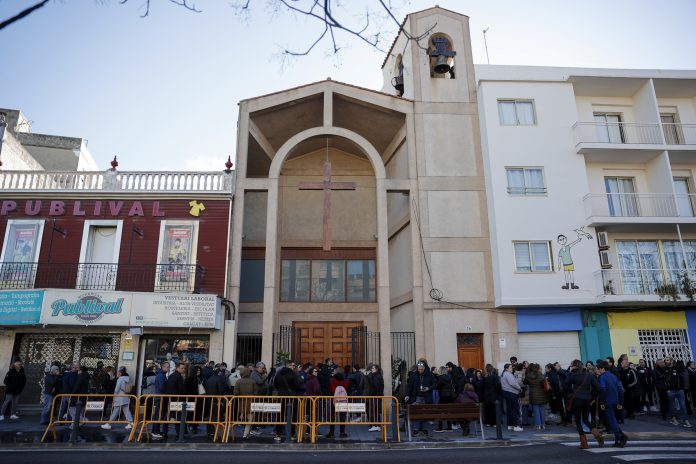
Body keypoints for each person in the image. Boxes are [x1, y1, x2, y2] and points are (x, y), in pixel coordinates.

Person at [565, 359, 603, 449]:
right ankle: (597, 434)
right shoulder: (589, 375)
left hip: (577, 400)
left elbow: (566, 383)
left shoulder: (573, 375)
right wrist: (592, 397)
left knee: (578, 421)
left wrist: (570, 372)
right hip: (587, 400)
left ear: (574, 366)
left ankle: (584, 443)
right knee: (586, 419)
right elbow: (598, 388)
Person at [597, 360, 628, 448]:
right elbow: (620, 389)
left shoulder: (602, 377)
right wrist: (620, 402)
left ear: (602, 369)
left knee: (612, 421)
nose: (598, 371)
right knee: (613, 419)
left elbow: (603, 389)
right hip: (615, 400)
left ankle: (620, 438)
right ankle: (620, 437)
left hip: (607, 401)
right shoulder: (613, 376)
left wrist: (602, 402)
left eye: (598, 369)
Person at [404, 360, 436, 437]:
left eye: (421, 369)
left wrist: (428, 388)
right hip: (417, 397)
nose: (420, 370)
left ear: (425, 368)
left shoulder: (430, 375)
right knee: (416, 413)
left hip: (426, 397)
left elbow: (435, 384)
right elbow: (409, 386)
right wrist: (407, 395)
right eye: (419, 369)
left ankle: (423, 429)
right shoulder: (414, 375)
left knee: (425, 413)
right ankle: (416, 429)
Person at [664, 357, 692, 428]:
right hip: (670, 391)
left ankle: (686, 420)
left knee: (683, 406)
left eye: (667, 360)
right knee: (672, 406)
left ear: (671, 361)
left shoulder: (677, 368)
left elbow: (683, 377)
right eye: (665, 360)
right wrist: (667, 389)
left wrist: (682, 388)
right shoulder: (664, 369)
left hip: (680, 390)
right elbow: (664, 381)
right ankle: (673, 419)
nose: (666, 361)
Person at [325, 372, 350, 439]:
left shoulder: (331, 381)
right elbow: (348, 391)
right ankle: (342, 432)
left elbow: (327, 390)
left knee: (332, 417)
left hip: (333, 401)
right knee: (342, 417)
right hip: (343, 401)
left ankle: (331, 433)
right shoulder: (346, 381)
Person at [524, 363, 549, 430]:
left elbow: (525, 382)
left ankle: (538, 425)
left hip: (533, 394)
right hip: (542, 394)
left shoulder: (528, 375)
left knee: (536, 410)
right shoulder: (541, 375)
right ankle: (543, 424)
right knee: (542, 409)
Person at [501, 363, 523, 431]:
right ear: (506, 369)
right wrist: (519, 388)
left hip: (507, 393)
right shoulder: (508, 374)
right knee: (514, 410)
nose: (512, 368)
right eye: (510, 367)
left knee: (510, 410)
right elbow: (512, 383)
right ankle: (515, 426)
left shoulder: (503, 374)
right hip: (512, 393)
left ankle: (510, 425)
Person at [150, 362, 169, 440]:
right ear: (163, 367)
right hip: (161, 397)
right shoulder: (161, 375)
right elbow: (162, 387)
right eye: (167, 367)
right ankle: (155, 431)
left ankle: (156, 431)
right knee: (158, 415)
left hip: (160, 397)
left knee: (158, 414)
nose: (168, 369)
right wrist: (166, 393)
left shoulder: (160, 374)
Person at [434, 366, 456, 432]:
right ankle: (449, 427)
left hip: (443, 396)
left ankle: (440, 427)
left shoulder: (440, 378)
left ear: (441, 371)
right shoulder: (449, 377)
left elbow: (437, 386)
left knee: (440, 411)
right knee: (447, 411)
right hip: (450, 396)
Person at [366, 363, 385, 432]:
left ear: (376, 369)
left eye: (373, 368)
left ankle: (376, 425)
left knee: (374, 411)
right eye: (372, 368)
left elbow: (376, 387)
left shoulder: (376, 376)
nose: (371, 369)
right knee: (375, 410)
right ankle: (376, 425)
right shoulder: (376, 375)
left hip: (375, 396)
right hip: (376, 396)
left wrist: (371, 392)